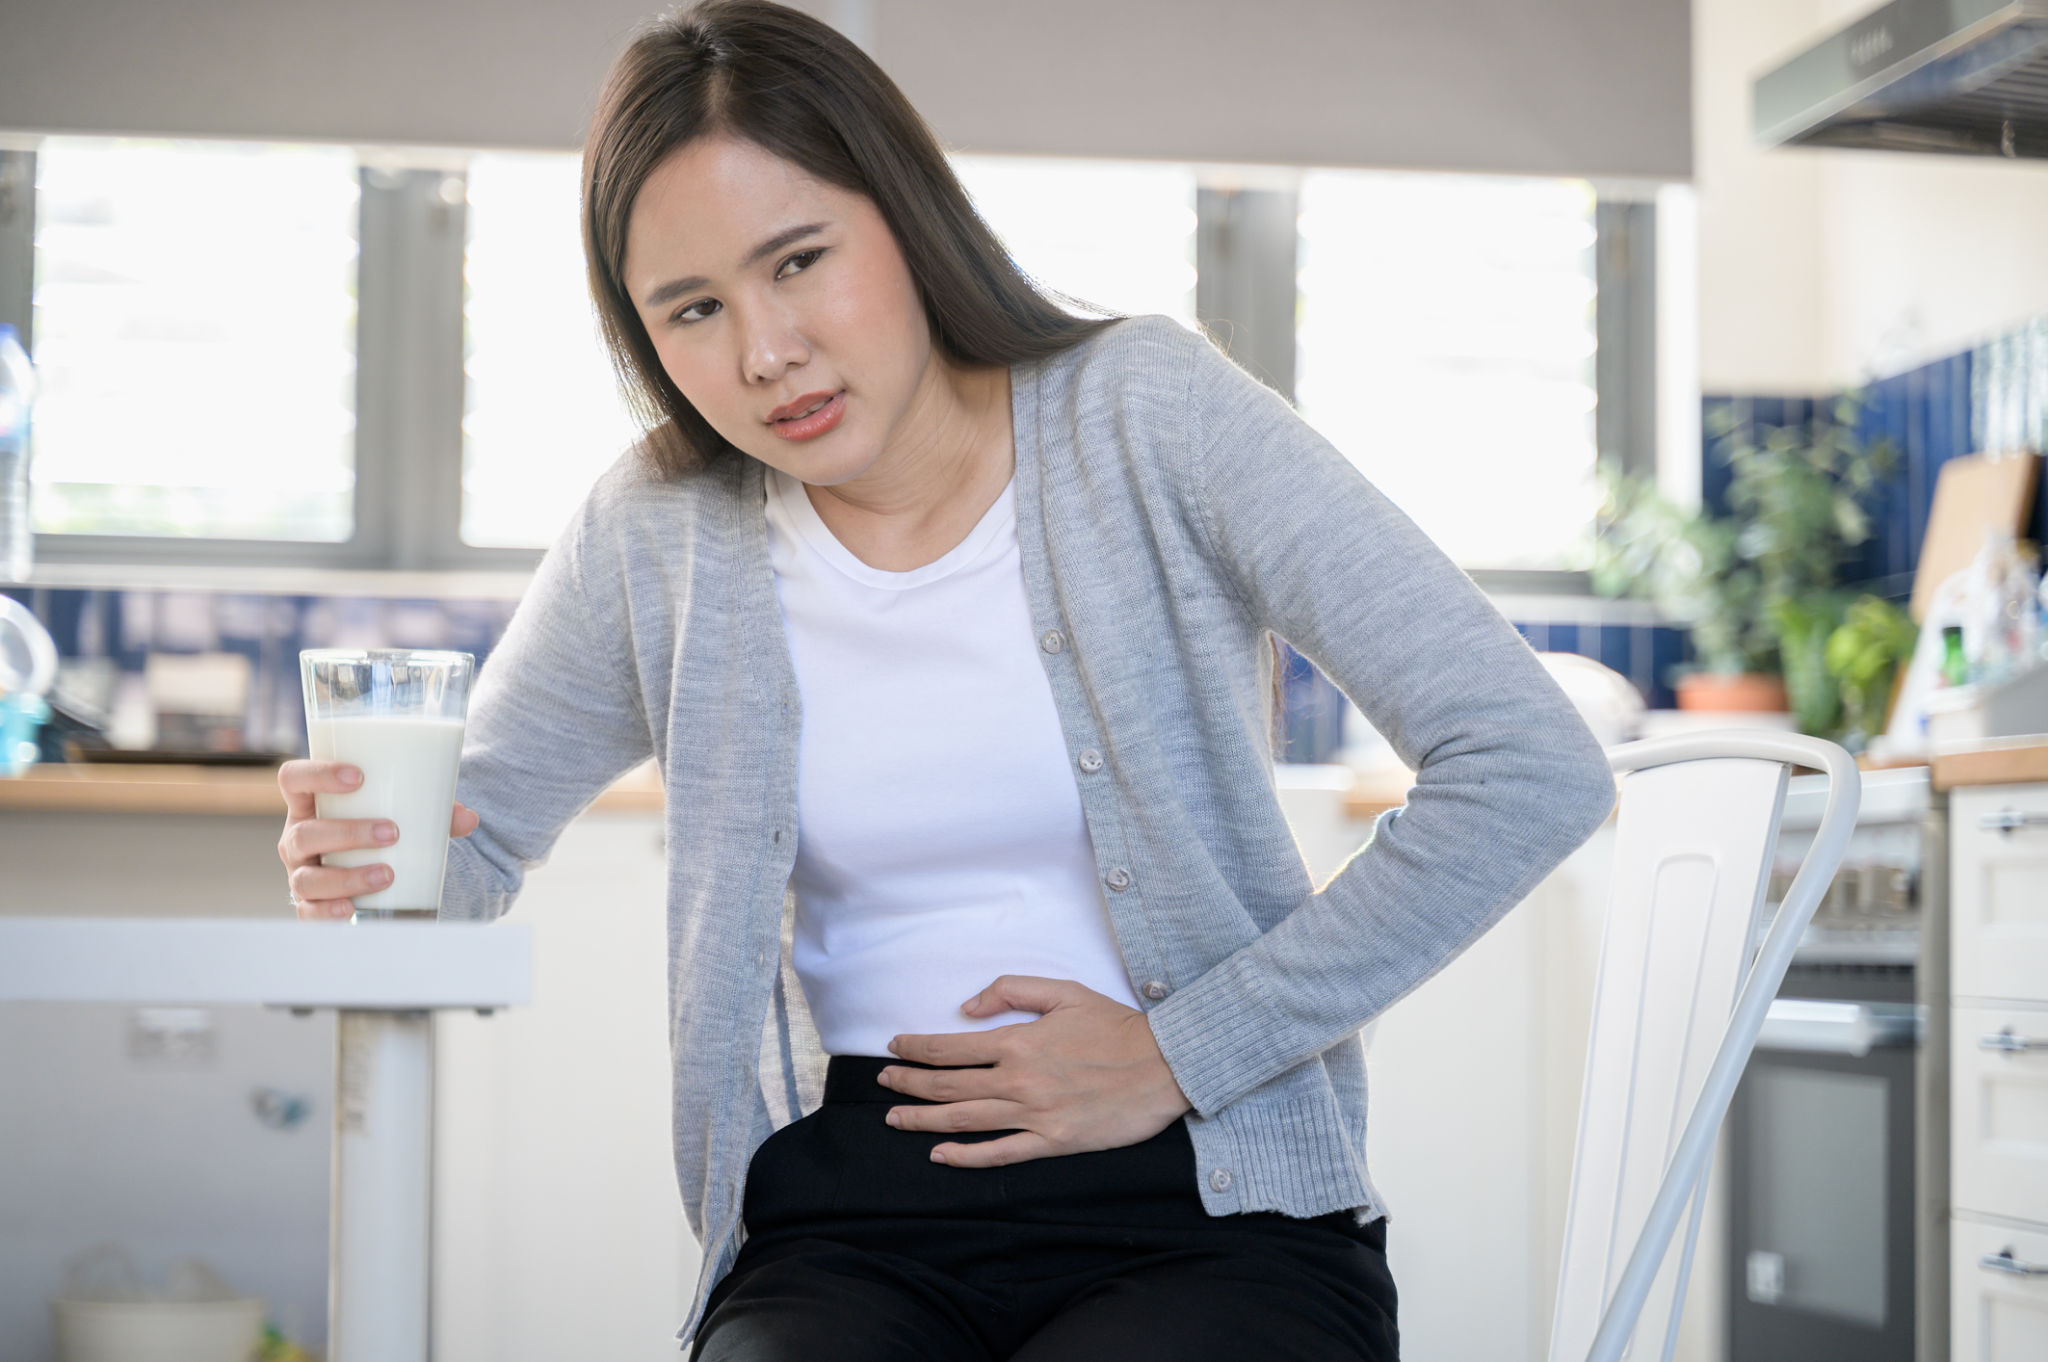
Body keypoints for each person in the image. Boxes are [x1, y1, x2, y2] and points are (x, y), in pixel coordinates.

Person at [276, 2, 1619, 1357]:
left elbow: (1530, 762)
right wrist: (368, 859)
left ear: (909, 215)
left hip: (1204, 1192)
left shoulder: (1145, 411)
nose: (762, 352)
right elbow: (472, 839)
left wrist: (1179, 1051)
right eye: (694, 308)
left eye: (798, 259)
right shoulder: (660, 525)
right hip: (844, 1226)